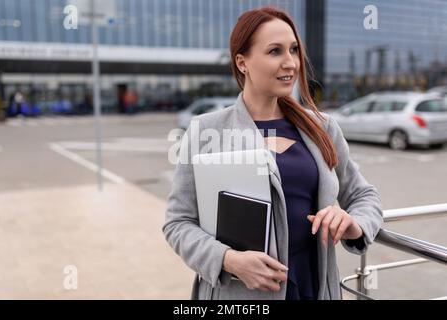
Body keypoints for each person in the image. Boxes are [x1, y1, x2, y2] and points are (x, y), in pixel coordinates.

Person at [163, 6, 383, 300]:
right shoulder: (205, 130)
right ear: (242, 62)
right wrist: (228, 260)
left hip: (312, 285)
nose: (290, 63)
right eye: (275, 51)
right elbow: (178, 223)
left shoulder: (323, 127)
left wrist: (355, 224)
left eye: (293, 50)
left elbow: (364, 196)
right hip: (241, 294)